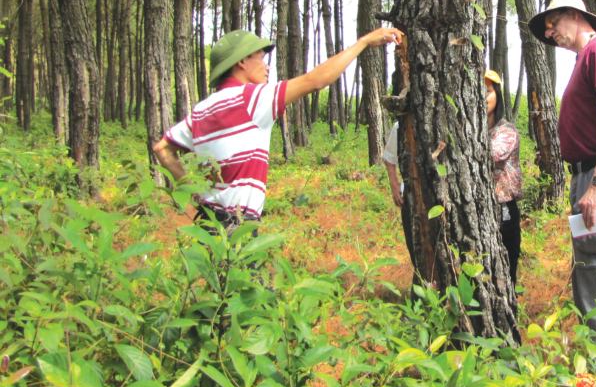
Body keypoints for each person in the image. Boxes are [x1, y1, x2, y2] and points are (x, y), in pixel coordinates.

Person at [153, 27, 403, 234]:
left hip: (206, 225)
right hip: (236, 227)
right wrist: (363, 42)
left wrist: (194, 192)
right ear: (241, 61)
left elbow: (162, 148)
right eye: (260, 58)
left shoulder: (201, 110)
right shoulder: (250, 99)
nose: (266, 67)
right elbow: (317, 80)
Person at [528, 0, 596, 363]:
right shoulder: (586, 58)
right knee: (593, 272)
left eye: (553, 23)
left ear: (575, 16)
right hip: (589, 176)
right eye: (546, 29)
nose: (550, 33)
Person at [485, 69, 523, 287]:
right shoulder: (471, 130)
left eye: (488, 91)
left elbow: (493, 154)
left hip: (503, 208)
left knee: (506, 266)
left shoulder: (506, 131)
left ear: (497, 95)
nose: (482, 96)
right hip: (477, 207)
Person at [383, 121, 414, 261]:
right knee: (416, 251)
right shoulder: (401, 126)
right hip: (411, 198)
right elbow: (390, 156)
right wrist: (394, 184)